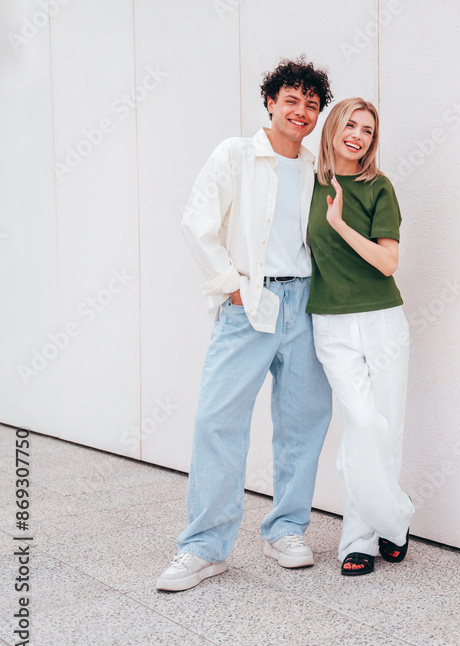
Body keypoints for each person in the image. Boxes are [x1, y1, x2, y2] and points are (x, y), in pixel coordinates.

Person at [156, 57, 334, 591]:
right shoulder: (235, 154)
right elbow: (197, 222)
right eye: (291, 100)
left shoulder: (318, 170)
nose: (301, 112)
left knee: (303, 421)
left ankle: (288, 530)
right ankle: (204, 548)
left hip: (306, 302)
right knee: (219, 420)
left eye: (311, 104)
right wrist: (231, 285)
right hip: (250, 302)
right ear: (270, 102)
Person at [307, 97, 414, 576]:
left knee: (386, 430)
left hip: (382, 320)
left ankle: (358, 539)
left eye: (367, 130)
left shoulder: (378, 187)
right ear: (332, 128)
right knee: (363, 425)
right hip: (330, 323)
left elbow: (388, 262)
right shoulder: (307, 184)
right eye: (350, 125)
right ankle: (395, 518)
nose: (357, 135)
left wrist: (340, 225)